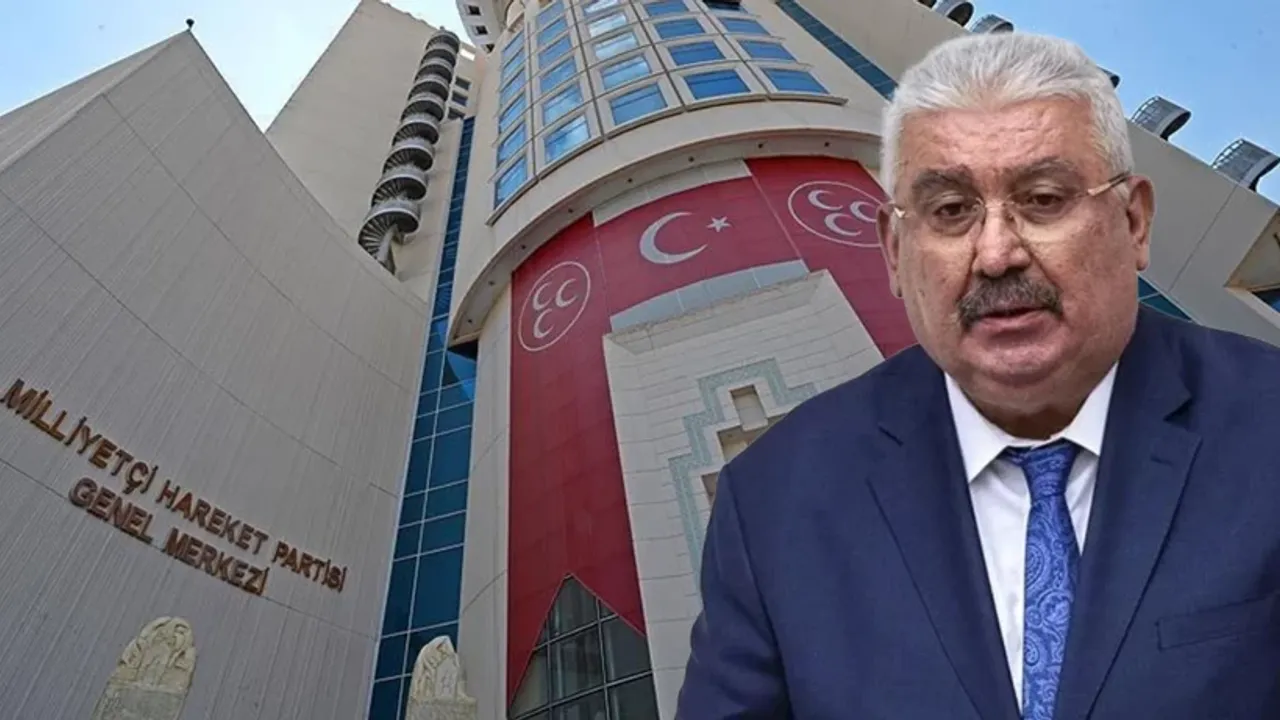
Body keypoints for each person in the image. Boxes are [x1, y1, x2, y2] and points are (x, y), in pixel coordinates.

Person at [677, 31, 1280, 720]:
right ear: (895, 251)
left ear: (1133, 222)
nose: (996, 254)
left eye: (1044, 198)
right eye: (950, 211)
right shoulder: (775, 501)